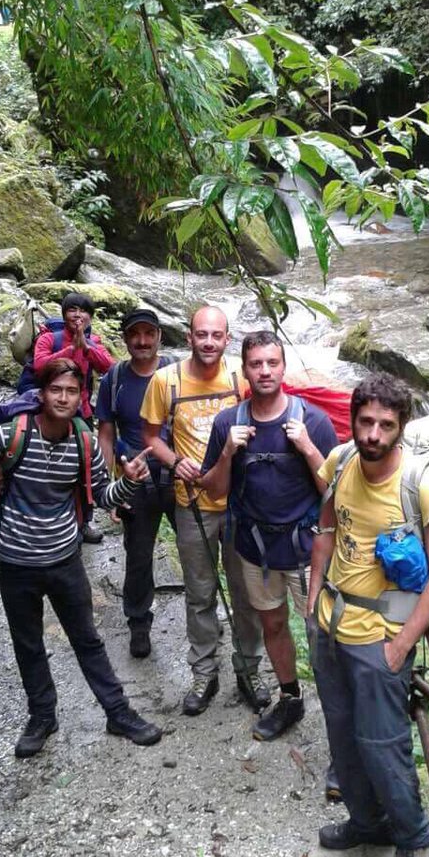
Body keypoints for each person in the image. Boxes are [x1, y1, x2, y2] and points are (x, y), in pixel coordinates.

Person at [0, 358, 163, 758]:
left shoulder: (84, 443)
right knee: (28, 643)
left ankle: (118, 712)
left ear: (81, 398)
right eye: (55, 390)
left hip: (64, 560)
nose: (63, 398)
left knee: (87, 640)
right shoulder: (11, 435)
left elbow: (102, 496)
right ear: (41, 394)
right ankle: (42, 716)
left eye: (71, 391)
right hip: (14, 561)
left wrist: (128, 482)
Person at [307, 371, 429, 857]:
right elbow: (328, 526)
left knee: (381, 743)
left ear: (401, 427)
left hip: (381, 636)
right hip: (331, 627)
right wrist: (312, 600)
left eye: (385, 425)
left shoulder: (423, 486)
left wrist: (401, 645)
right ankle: (367, 822)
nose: (373, 434)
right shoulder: (341, 460)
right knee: (343, 736)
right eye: (365, 421)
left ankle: (415, 838)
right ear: (352, 419)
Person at [200, 330, 337, 741]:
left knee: (322, 634)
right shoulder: (228, 423)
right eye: (256, 364)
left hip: (305, 550)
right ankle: (290, 698)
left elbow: (335, 493)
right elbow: (214, 490)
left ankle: (339, 716)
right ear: (244, 370)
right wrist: (228, 453)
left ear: (283, 367)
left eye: (272, 363)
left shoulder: (313, 421)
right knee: (272, 624)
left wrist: (308, 448)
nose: (264, 371)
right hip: (255, 551)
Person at [141, 306, 266, 718]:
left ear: (227, 339)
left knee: (245, 593)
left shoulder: (240, 377)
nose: (208, 342)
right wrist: (175, 461)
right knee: (199, 593)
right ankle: (204, 672)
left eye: (216, 335)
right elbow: (150, 436)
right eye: (201, 334)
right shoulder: (166, 381)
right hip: (192, 503)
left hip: (240, 504)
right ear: (189, 336)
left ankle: (249, 669)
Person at [96, 307, 176, 659]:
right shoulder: (114, 380)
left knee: (196, 553)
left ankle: (202, 613)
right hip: (135, 482)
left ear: (159, 336)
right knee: (139, 555)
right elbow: (106, 434)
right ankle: (139, 622)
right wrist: (108, 488)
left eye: (149, 334)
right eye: (135, 334)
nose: (142, 341)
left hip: (178, 476)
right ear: (125, 338)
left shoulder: (178, 373)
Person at [34, 291, 114, 544]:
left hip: (82, 413)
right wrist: (71, 349)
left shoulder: (94, 341)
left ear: (90, 317)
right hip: (47, 413)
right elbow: (39, 366)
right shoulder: (49, 338)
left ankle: (83, 522)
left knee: (84, 468)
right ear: (64, 313)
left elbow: (109, 367)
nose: (78, 315)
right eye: (72, 310)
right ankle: (44, 519)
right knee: (45, 467)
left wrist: (86, 347)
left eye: (83, 311)